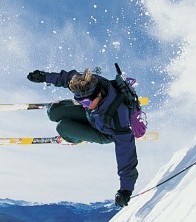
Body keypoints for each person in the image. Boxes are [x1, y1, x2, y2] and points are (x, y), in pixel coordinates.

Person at [27, 68, 137, 207]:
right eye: (80, 101)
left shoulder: (118, 118)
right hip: (93, 116)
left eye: (85, 102)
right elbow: (67, 77)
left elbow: (126, 155)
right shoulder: (91, 82)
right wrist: (44, 77)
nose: (84, 104)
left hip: (103, 131)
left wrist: (126, 190)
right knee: (53, 112)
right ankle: (64, 107)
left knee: (62, 127)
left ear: (98, 95)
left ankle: (75, 138)